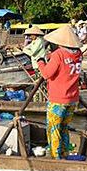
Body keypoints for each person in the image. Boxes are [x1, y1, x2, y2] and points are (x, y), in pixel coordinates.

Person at [36, 25, 83, 160]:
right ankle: (65, 154)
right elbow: (66, 61)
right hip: (72, 99)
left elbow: (46, 74)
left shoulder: (59, 55)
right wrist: (51, 56)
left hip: (58, 100)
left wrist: (40, 62)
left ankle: (56, 158)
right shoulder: (79, 54)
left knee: (54, 129)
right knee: (64, 128)